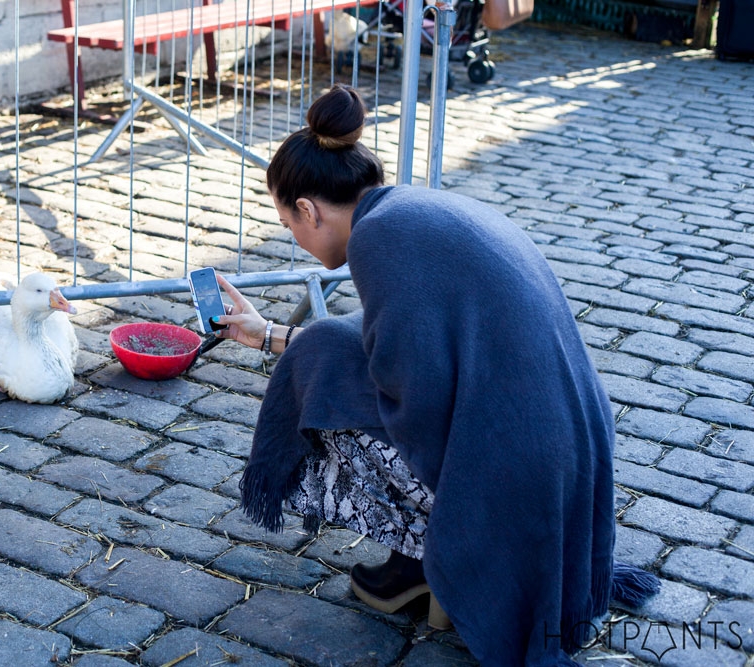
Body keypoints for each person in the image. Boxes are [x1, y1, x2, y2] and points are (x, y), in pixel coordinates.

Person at [211, 84, 658, 666]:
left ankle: (433, 555)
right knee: (323, 346)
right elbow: (387, 350)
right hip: (568, 456)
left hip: (523, 470)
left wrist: (308, 377)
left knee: (319, 379)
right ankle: (425, 557)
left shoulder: (379, 241)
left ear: (308, 210)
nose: (293, 236)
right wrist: (269, 335)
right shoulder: (408, 210)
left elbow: (412, 401)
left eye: (286, 221)